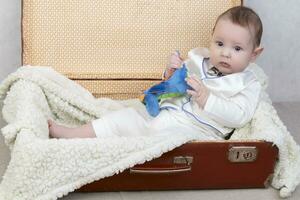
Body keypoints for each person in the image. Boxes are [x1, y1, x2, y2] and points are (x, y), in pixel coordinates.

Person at [48, 6, 264, 140]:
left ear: (254, 54)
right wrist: (172, 71)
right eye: (219, 43)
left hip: (194, 132)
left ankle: (120, 148)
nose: (225, 53)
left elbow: (240, 116)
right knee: (124, 118)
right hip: (164, 114)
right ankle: (73, 134)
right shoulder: (200, 60)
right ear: (211, 38)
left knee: (160, 143)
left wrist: (207, 99)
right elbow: (170, 87)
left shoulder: (248, 84)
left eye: (237, 49)